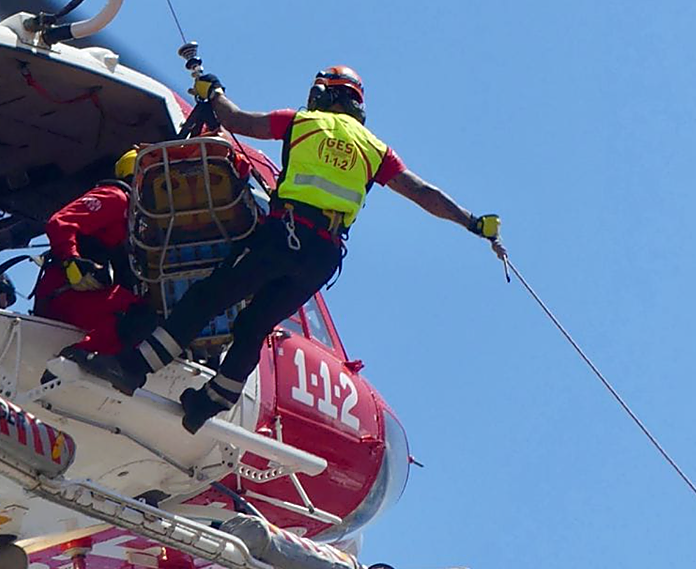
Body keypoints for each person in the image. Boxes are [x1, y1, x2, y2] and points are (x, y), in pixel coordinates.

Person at [85, 66, 506, 433]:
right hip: (323, 258)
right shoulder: (375, 149)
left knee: (207, 297)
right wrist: (472, 222)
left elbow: (237, 121)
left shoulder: (303, 121)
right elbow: (423, 193)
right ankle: (208, 405)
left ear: (323, 94)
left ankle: (132, 368)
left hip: (284, 236)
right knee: (253, 325)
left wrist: (212, 94)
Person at [33, 149, 145, 356]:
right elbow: (60, 223)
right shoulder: (116, 197)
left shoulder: (137, 220)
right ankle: (80, 356)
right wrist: (71, 261)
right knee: (141, 314)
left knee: (146, 315)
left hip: (82, 298)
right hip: (65, 293)